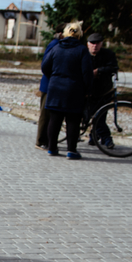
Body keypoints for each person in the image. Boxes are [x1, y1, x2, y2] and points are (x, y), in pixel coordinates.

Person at [41, 22, 93, 160]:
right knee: (73, 120)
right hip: (74, 89)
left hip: (55, 88)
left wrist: (54, 77)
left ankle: (52, 148)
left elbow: (45, 67)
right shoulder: (82, 50)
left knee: (54, 119)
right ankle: (71, 150)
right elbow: (87, 73)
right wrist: (87, 88)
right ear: (79, 35)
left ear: (64, 33)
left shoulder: (56, 47)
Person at [85, 32, 119, 149]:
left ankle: (103, 137)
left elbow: (113, 67)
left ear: (101, 44)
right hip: (87, 90)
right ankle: (96, 135)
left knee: (100, 115)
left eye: (97, 43)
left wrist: (98, 71)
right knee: (90, 114)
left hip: (103, 90)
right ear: (88, 44)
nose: (95, 46)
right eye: (92, 43)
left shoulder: (108, 54)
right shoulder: (84, 54)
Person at [35, 33, 61, 150]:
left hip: (53, 84)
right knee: (45, 114)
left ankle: (46, 139)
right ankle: (41, 140)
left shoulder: (57, 44)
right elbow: (45, 65)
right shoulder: (55, 45)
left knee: (50, 114)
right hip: (49, 85)